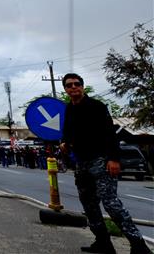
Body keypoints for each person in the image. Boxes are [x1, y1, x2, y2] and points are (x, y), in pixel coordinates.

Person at [60, 73, 151, 254]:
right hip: (82, 162)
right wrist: (64, 142)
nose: (73, 87)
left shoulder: (96, 107)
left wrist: (114, 159)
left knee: (111, 203)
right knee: (88, 203)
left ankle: (139, 245)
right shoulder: (69, 109)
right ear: (65, 89)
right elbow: (68, 132)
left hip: (101, 160)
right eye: (69, 85)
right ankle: (103, 242)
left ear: (82, 86)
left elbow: (110, 133)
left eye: (76, 84)